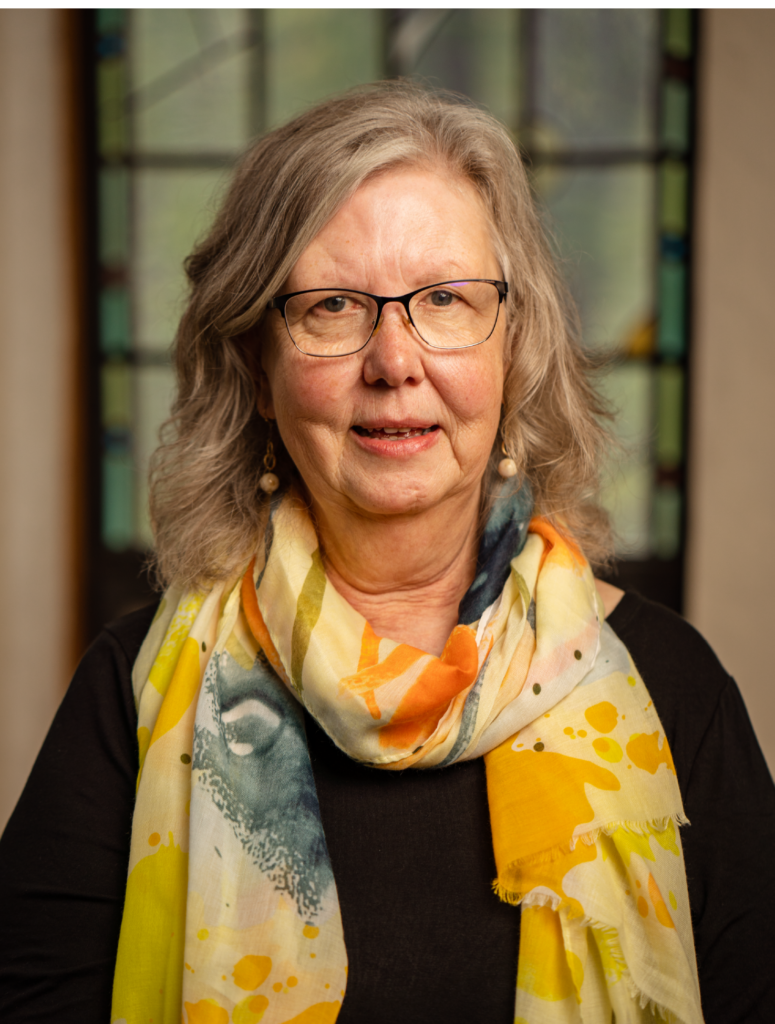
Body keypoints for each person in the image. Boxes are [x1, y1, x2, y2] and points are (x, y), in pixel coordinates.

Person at [1, 82, 773, 1024]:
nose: (394, 359)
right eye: (331, 306)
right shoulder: (134, 693)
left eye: (445, 299)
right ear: (256, 369)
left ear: (513, 348)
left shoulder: (672, 688)